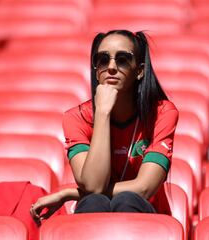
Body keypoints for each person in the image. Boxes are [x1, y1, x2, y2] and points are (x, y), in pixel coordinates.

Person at [30, 29, 179, 223]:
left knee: (126, 200)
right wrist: (102, 113)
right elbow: (94, 186)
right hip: (95, 212)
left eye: (123, 59)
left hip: (148, 222)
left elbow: (145, 188)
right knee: (93, 202)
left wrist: (70, 193)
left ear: (140, 70)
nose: (111, 67)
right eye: (102, 59)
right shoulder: (76, 117)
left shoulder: (162, 113)